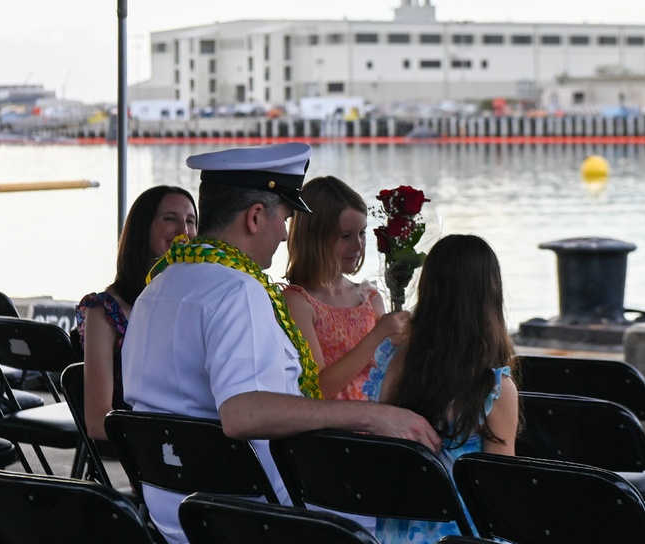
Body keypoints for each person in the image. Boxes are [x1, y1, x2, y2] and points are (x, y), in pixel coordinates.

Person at [121, 142, 440, 544]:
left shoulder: (158, 286)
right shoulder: (238, 290)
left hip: (175, 514)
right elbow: (243, 414)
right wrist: (371, 416)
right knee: (424, 516)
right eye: (286, 217)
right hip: (255, 514)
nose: (286, 233)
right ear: (255, 217)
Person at [362, 233, 519, 544]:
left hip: (396, 534)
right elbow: (501, 495)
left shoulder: (391, 361)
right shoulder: (493, 388)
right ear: (490, 295)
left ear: (428, 289)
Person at [74, 185, 197, 440]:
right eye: (170, 219)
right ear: (144, 228)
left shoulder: (199, 303)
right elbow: (98, 422)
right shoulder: (104, 311)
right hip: (148, 448)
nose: (184, 231)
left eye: (191, 221)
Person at [283, 176, 409, 400]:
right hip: (337, 430)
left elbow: (391, 372)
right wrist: (376, 337)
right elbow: (319, 389)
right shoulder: (297, 302)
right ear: (314, 238)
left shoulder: (369, 298)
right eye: (345, 236)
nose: (358, 245)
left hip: (380, 420)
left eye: (362, 233)